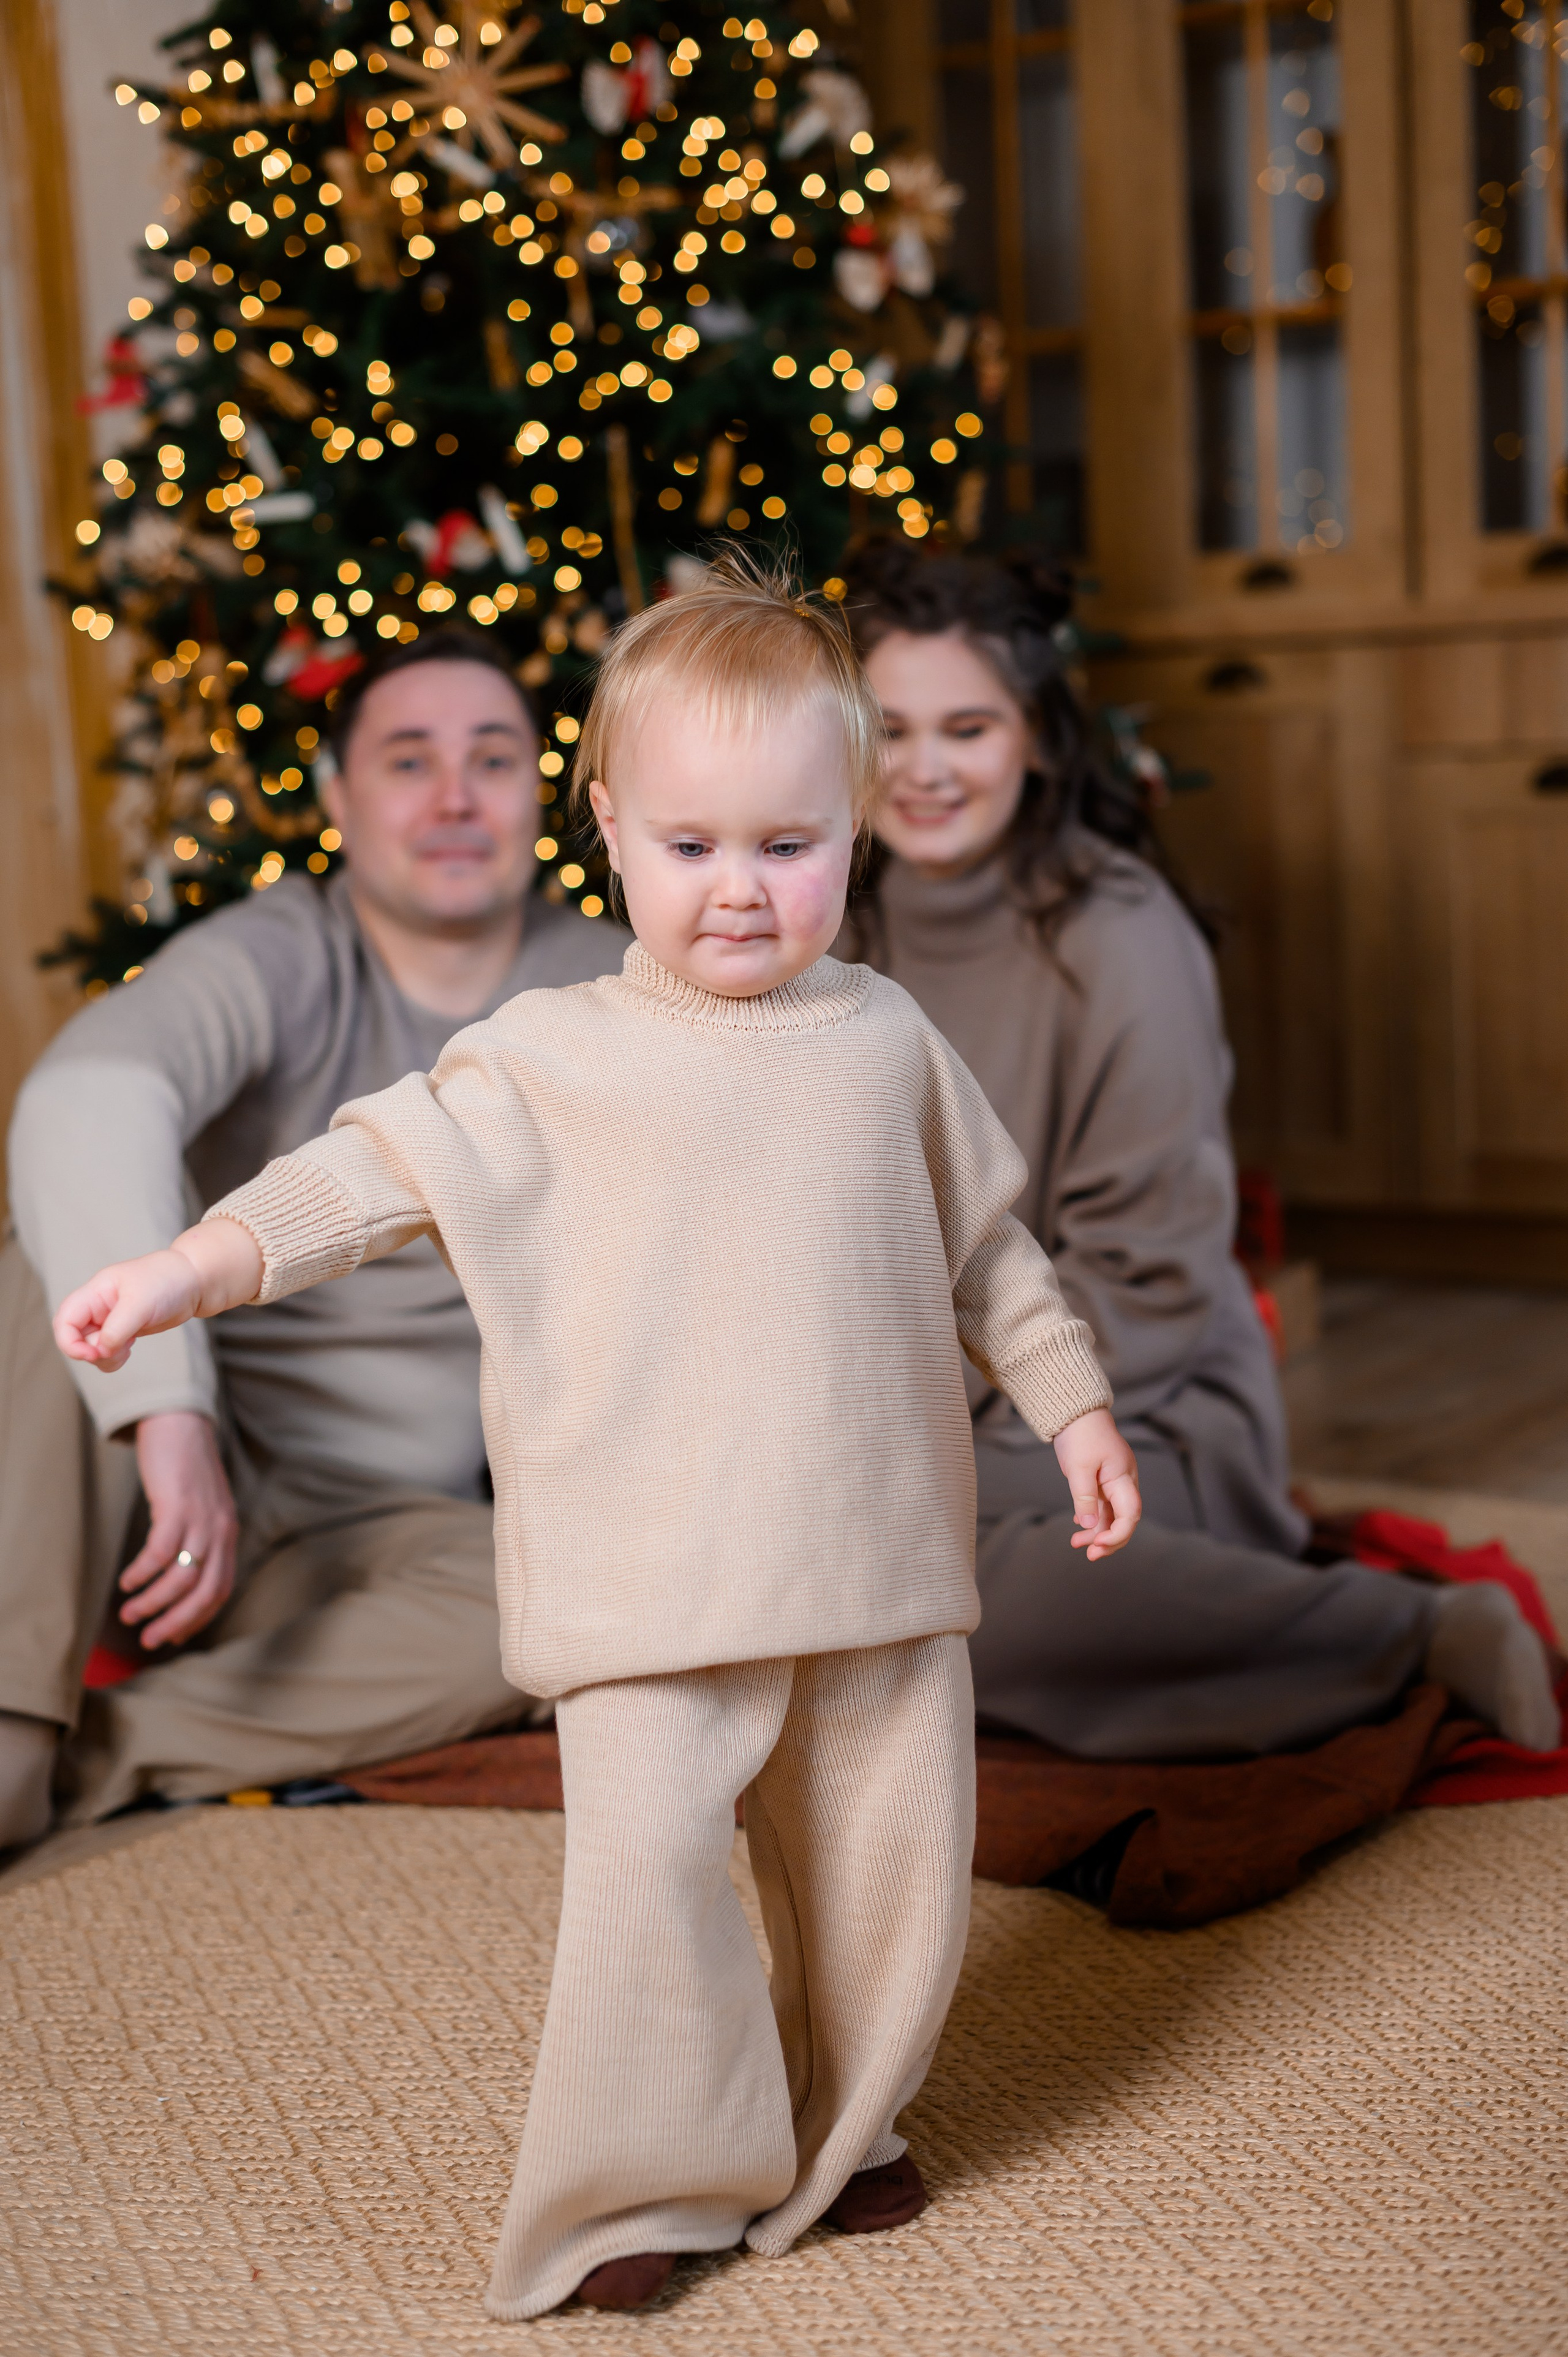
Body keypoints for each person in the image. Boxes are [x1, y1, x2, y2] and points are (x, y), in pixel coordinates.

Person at [53, 559, 1142, 2317]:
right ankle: (646, 2184)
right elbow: (369, 1174)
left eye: (788, 845)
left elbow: (992, 1255)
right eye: (693, 847)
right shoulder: (553, 1056)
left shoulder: (885, 1043)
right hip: (651, 1572)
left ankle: (845, 2124)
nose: (739, 890)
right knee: (651, 1890)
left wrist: (1075, 1404)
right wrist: (192, 1268)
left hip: (870, 1562)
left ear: (851, 834)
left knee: (883, 1879)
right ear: (613, 829)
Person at [839, 540, 1559, 1762]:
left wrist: (934, 1428)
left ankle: (1399, 1632)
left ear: (1034, 737)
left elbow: (1153, 1283)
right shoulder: (823, 920)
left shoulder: (1118, 932)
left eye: (963, 727)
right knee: (832, 1555)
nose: (921, 769)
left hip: (1133, 1401)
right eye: (886, 729)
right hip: (899, 1413)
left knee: (905, 1583)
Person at [0, 628, 627, 1850]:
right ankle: (11, 1729)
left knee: (571, 1600)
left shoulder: (602, 991)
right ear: (338, 799)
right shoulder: (279, 951)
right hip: (168, 1481)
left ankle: (97, 1758)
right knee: (48, 1269)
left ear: (540, 799)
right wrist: (167, 1414)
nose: (453, 796)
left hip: (379, 1530)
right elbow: (86, 1094)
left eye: (492, 760)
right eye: (407, 761)